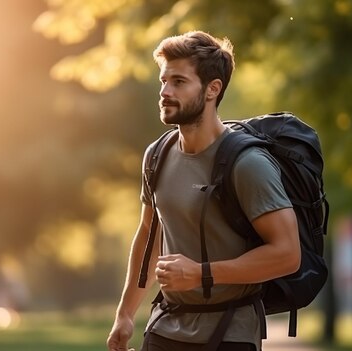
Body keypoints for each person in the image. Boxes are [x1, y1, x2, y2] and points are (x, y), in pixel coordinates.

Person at [106, 30, 301, 351]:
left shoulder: (247, 164)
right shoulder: (157, 155)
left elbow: (287, 253)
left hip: (230, 333)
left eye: (179, 82)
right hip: (166, 326)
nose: (165, 91)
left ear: (213, 89)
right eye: (163, 81)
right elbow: (148, 234)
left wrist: (200, 274)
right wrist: (125, 314)